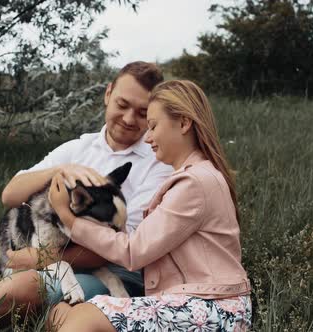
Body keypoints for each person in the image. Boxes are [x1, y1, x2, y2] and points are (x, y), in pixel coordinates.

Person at [0, 61, 173, 331]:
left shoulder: (157, 162)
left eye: (141, 112)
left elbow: (124, 248)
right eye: (122, 105)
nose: (128, 119)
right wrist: (61, 170)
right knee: (17, 287)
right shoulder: (79, 147)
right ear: (108, 93)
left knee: (25, 286)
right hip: (52, 259)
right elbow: (10, 194)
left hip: (112, 271)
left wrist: (39, 259)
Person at [47, 80, 252, 332]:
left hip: (212, 308)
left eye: (153, 126)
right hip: (195, 303)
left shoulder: (195, 183)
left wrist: (70, 219)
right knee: (61, 311)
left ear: (184, 123)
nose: (148, 138)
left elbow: (133, 251)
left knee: (86, 317)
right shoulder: (199, 176)